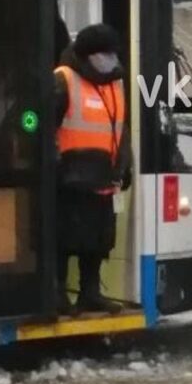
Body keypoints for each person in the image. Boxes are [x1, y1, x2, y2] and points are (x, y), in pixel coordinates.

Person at [54, 23, 132, 315]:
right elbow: (36, 123)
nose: (109, 60)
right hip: (68, 179)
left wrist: (124, 165)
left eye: (112, 54)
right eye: (103, 54)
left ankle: (90, 293)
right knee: (63, 239)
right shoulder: (64, 80)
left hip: (104, 178)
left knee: (98, 240)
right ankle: (57, 295)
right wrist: (53, 162)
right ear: (86, 55)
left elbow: (120, 129)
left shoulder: (115, 84)